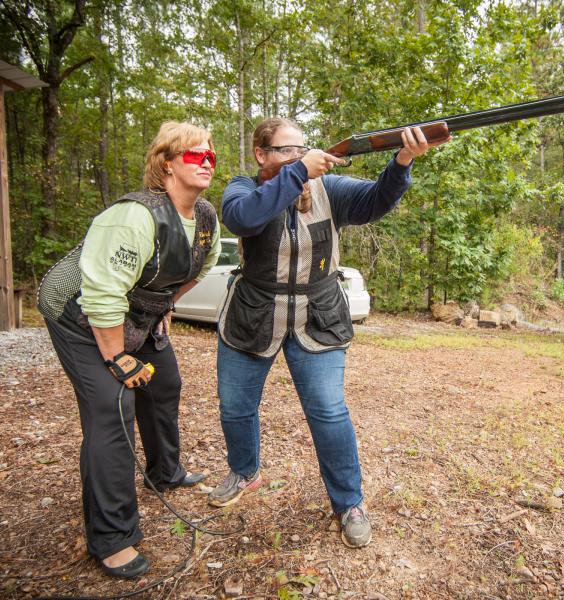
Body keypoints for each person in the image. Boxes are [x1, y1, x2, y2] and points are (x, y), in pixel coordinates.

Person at [210, 117, 449, 548]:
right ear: (261, 155)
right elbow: (243, 219)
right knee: (235, 407)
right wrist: (299, 171)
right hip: (252, 314)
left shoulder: (328, 188)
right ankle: (244, 471)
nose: (298, 156)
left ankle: (349, 503)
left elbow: (375, 202)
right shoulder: (242, 188)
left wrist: (402, 160)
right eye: (286, 150)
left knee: (329, 412)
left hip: (317, 315)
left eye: (302, 149)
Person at [37, 122, 221, 579]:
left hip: (134, 312)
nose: (207, 162)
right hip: (79, 313)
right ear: (167, 164)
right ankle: (112, 537)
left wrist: (163, 306)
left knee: (165, 384)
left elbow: (201, 268)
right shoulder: (133, 216)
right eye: (194, 154)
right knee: (113, 407)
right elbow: (102, 295)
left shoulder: (205, 219)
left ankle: (166, 471)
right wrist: (118, 357)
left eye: (211, 155)